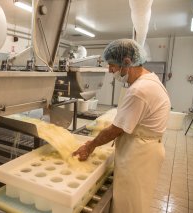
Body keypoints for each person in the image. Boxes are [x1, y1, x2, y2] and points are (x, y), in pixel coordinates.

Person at [72, 39, 171, 213]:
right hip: (147, 148)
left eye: (112, 65)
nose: (110, 70)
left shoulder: (139, 90)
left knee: (129, 204)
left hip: (140, 154)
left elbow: (116, 130)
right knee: (137, 200)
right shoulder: (151, 80)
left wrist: (90, 145)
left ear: (126, 62)